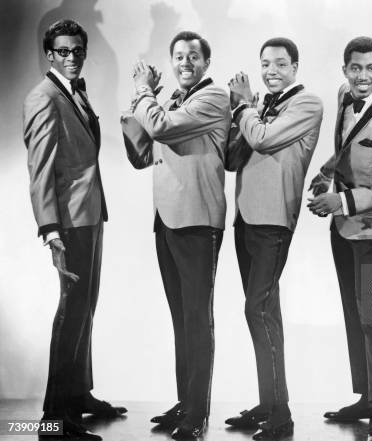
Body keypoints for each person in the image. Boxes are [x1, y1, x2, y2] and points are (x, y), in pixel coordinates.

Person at [120, 31, 230, 439]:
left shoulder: (212, 97)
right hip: (166, 221)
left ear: (206, 63)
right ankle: (185, 403)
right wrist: (140, 103)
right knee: (181, 322)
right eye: (179, 56)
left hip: (198, 222)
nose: (185, 62)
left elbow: (162, 128)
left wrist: (143, 92)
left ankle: (197, 415)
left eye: (193, 56)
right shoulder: (169, 101)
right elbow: (140, 154)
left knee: (198, 322)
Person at [308, 36, 372, 441]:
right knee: (354, 316)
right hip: (342, 230)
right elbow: (347, 145)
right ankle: (366, 398)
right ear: (345, 71)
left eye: (371, 68)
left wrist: (343, 200)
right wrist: (325, 172)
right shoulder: (343, 96)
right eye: (356, 68)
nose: (363, 76)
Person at [24, 19, 126, 441]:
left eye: (77, 51)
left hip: (90, 215)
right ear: (50, 55)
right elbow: (40, 169)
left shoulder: (74, 91)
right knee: (71, 313)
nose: (71, 57)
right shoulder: (43, 97)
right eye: (63, 51)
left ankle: (79, 394)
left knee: (84, 308)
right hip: (68, 223)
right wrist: (51, 230)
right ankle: (55, 418)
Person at [224, 37, 323, 440]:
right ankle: (269, 403)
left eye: (280, 65)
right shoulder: (259, 107)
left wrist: (243, 105)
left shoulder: (307, 103)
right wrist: (243, 112)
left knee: (257, 310)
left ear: (295, 67)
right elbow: (233, 159)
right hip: (246, 217)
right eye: (265, 64)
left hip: (274, 220)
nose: (270, 72)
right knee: (267, 312)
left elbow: (262, 140)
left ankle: (280, 414)